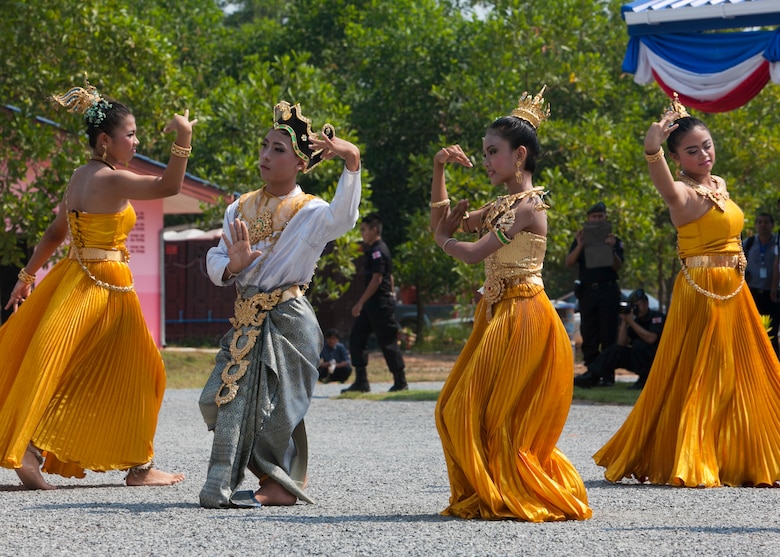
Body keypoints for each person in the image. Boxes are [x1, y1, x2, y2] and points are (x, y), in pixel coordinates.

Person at [0, 80, 194, 489]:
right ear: (105, 140)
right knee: (144, 369)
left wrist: (27, 275)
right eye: (130, 134)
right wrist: (184, 137)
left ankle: (121, 462)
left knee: (72, 365)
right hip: (103, 286)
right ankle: (43, 453)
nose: (136, 141)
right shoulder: (112, 180)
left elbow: (56, 232)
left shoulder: (79, 177)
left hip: (75, 279)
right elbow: (169, 187)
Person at [594, 94, 780, 488]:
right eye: (692, 151)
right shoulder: (682, 194)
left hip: (735, 291)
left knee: (749, 372)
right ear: (676, 159)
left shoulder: (719, 185)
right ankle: (694, 456)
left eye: (707, 145)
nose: (704, 155)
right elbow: (663, 184)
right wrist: (652, 150)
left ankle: (746, 454)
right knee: (702, 374)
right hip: (702, 292)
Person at [430, 87, 591, 521]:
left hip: (523, 315)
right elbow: (440, 220)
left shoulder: (530, 207)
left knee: (492, 411)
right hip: (496, 314)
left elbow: (468, 251)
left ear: (519, 155)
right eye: (483, 152)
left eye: (492, 152)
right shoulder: (499, 205)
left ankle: (504, 488)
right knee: (453, 406)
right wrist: (439, 168)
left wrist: (445, 240)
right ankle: (491, 486)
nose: (485, 161)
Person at [199, 101, 361, 508]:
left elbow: (344, 218)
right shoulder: (238, 208)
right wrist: (232, 265)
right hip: (247, 317)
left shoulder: (313, 212)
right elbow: (217, 258)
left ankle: (276, 484)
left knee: (277, 409)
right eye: (265, 145)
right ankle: (244, 480)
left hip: (289, 318)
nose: (266, 155)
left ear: (302, 164)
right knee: (221, 400)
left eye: (279, 150)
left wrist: (352, 161)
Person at [342, 213, 407, 393]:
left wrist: (359, 303)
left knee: (388, 341)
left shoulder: (379, 250)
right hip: (372, 304)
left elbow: (378, 279)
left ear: (374, 230)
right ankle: (361, 382)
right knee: (357, 338)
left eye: (364, 230)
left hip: (379, 303)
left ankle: (400, 381)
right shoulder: (372, 250)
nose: (362, 233)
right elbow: (390, 276)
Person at [565, 202, 624, 369]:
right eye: (594, 216)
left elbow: (618, 265)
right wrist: (581, 244)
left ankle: (607, 373)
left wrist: (610, 248)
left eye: (601, 216)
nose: (597, 219)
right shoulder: (581, 239)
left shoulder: (614, 240)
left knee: (608, 333)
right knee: (589, 332)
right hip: (588, 292)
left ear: (606, 218)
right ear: (588, 219)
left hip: (608, 290)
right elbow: (569, 262)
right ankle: (591, 370)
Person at [574, 289, 665, 389]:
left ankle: (644, 380)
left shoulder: (656, 317)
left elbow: (651, 338)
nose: (635, 309)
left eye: (637, 306)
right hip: (640, 359)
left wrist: (631, 322)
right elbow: (622, 343)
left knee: (639, 344)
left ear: (646, 304)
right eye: (633, 306)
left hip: (657, 360)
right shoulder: (635, 321)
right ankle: (591, 376)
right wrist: (625, 321)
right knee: (615, 350)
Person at [743, 213, 780, 355]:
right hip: (753, 293)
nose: (763, 225)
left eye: (766, 222)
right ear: (756, 225)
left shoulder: (776, 243)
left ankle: (774, 366)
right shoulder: (749, 243)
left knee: (771, 331)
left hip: (772, 295)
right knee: (751, 330)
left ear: (772, 225)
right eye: (760, 222)